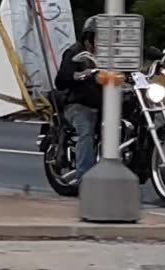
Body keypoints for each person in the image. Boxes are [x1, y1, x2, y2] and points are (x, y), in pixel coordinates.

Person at [55, 15, 102, 185]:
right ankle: (85, 180)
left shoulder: (109, 55)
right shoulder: (75, 53)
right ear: (89, 38)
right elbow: (61, 80)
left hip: (102, 103)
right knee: (86, 131)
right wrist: (81, 75)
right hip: (78, 104)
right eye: (99, 38)